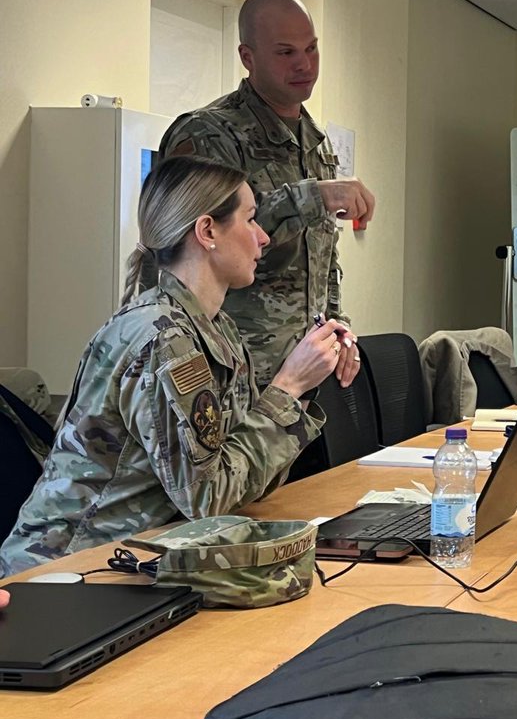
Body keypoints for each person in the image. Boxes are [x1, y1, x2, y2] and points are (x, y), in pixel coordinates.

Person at [0, 157, 345, 577]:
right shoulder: (164, 338)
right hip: (68, 574)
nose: (263, 239)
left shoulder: (214, 326)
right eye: (251, 220)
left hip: (133, 561)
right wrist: (288, 387)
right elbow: (209, 497)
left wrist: (305, 383)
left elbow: (242, 480)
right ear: (207, 231)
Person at [159, 0, 374, 392]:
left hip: (306, 371)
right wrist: (315, 197)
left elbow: (322, 254)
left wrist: (337, 326)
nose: (304, 64)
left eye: (311, 49)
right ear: (248, 57)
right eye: (285, 52)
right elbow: (207, 242)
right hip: (233, 367)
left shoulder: (315, 141)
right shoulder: (209, 134)